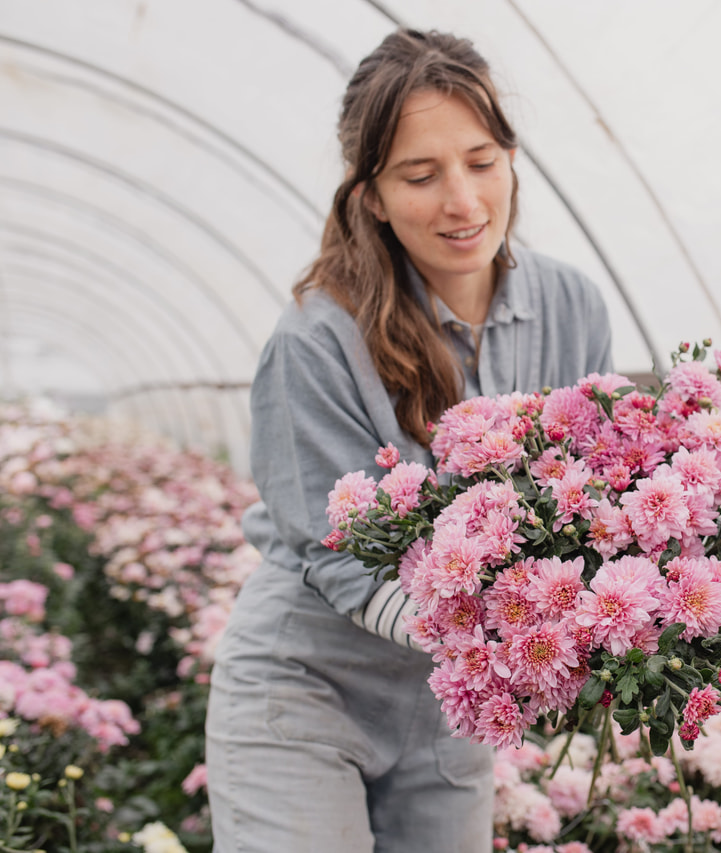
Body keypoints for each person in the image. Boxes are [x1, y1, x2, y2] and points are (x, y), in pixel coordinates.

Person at [205, 28, 613, 852]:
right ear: (373, 197)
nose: (462, 201)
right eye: (421, 176)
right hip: (307, 683)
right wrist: (507, 641)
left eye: (482, 159)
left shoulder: (572, 306)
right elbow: (336, 551)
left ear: (511, 159)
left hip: (447, 700)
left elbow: (599, 490)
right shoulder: (320, 337)